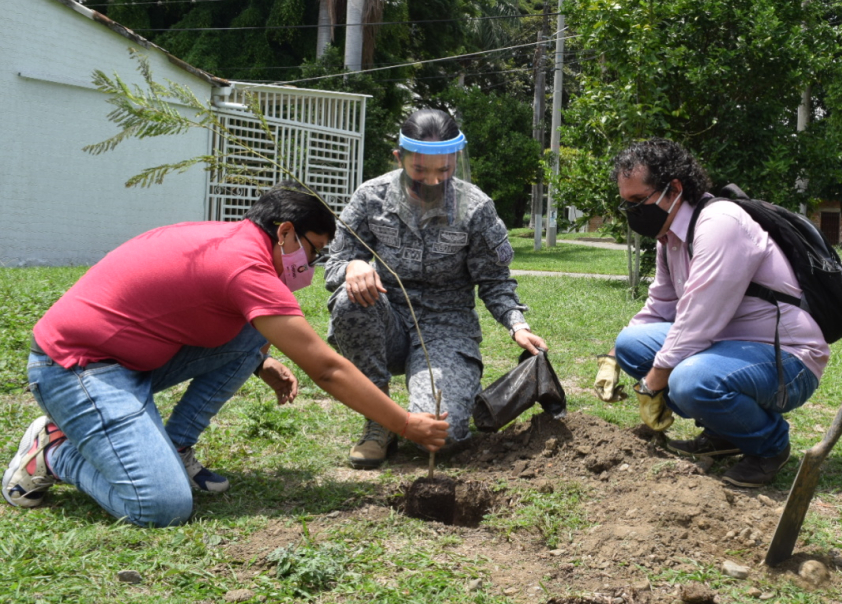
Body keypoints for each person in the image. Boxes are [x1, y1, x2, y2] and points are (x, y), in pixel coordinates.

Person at [3, 184, 449, 527]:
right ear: (286, 232)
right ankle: (53, 452)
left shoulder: (233, 242)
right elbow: (327, 368)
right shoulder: (245, 266)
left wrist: (257, 359)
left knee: (251, 339)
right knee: (160, 506)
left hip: (129, 360)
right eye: (314, 250)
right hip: (77, 368)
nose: (311, 264)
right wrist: (405, 423)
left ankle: (173, 448)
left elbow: (193, 310)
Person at [593, 138, 827, 488]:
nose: (632, 212)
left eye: (638, 200)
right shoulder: (670, 236)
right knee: (631, 344)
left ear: (673, 189)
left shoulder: (720, 224)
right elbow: (660, 306)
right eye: (625, 203)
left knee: (690, 380)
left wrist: (651, 385)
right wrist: (611, 358)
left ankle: (769, 447)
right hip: (727, 348)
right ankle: (728, 434)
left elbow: (696, 321)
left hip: (787, 360)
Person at [326, 108, 547, 468]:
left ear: (456, 161)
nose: (431, 181)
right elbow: (335, 260)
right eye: (419, 170)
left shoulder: (475, 208)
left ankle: (451, 392)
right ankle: (378, 421)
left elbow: (494, 279)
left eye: (443, 171)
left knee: (441, 438)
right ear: (400, 158)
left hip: (446, 327)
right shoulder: (370, 197)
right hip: (387, 322)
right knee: (350, 302)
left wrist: (516, 325)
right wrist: (353, 266)